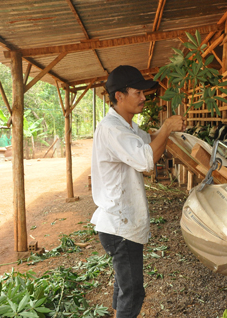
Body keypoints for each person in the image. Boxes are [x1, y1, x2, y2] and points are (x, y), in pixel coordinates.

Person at [90, 65, 186, 318]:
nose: (144, 97)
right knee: (133, 292)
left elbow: (148, 141)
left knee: (123, 286)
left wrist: (167, 134)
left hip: (120, 222)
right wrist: (166, 128)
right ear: (119, 96)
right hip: (120, 225)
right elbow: (146, 161)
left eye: (144, 92)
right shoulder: (113, 129)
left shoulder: (127, 126)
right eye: (138, 92)